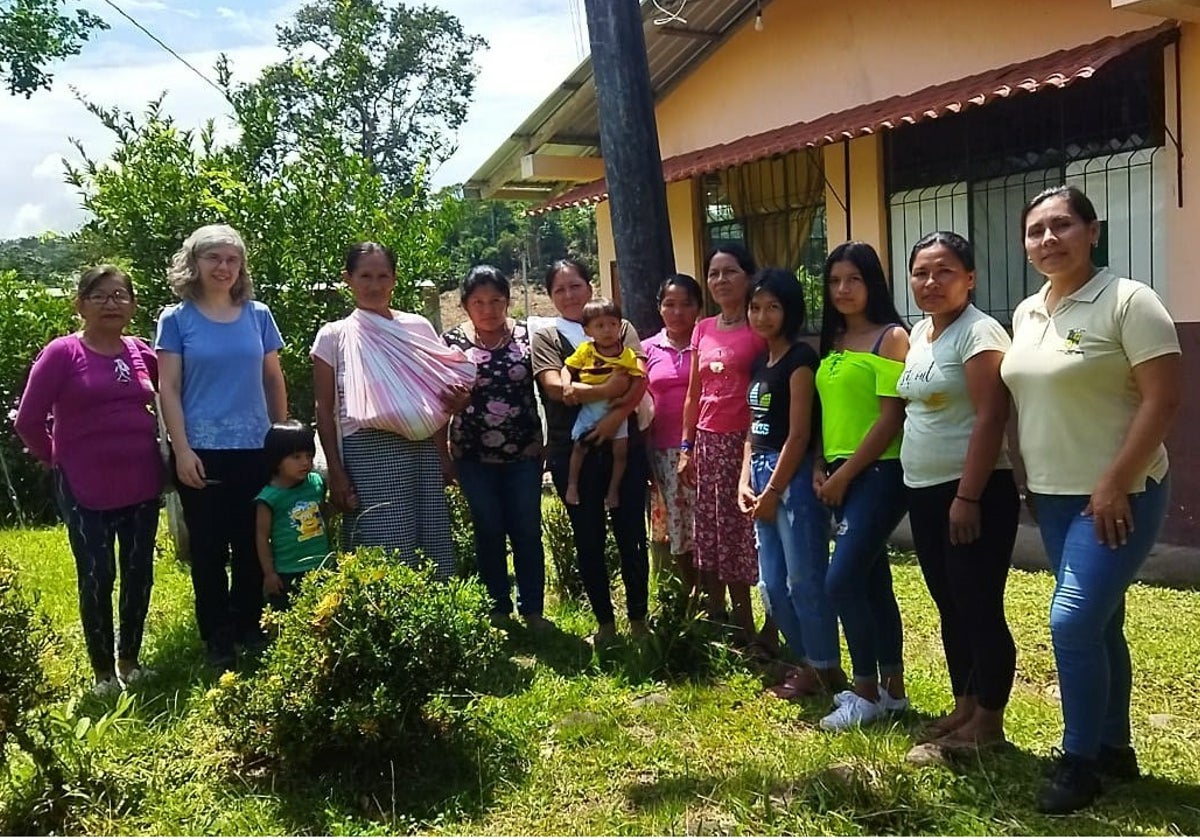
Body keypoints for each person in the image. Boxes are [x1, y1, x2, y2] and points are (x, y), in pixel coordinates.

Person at [1001, 186, 1180, 814]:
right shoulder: (1026, 313)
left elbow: (1162, 400)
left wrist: (1111, 482)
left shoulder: (1130, 302)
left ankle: (1079, 762)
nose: (1048, 240)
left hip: (1120, 492)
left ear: (1092, 232)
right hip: (1050, 495)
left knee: (1072, 620)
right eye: (1035, 231)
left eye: (1062, 226)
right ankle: (1114, 748)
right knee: (1102, 624)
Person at [897, 232, 1019, 758]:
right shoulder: (923, 335)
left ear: (969, 278)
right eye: (921, 272)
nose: (931, 282)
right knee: (950, 604)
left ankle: (989, 722)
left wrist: (967, 497)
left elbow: (992, 415)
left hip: (972, 491)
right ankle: (965, 706)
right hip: (924, 490)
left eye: (944, 271)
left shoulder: (979, 332)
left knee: (978, 603)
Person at [15, 265, 161, 693]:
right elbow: (27, 421)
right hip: (84, 486)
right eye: (99, 296)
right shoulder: (62, 353)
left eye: (120, 296)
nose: (111, 304)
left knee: (139, 572)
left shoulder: (139, 351)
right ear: (79, 304)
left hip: (142, 480)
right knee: (97, 575)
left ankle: (130, 661)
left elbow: (172, 393)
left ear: (133, 305)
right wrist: (56, 460)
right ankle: (101, 673)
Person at [156, 224, 287, 670]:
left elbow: (273, 377)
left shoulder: (258, 315)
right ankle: (217, 638)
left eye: (232, 259)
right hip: (202, 452)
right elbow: (168, 389)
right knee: (209, 550)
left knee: (252, 543)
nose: (224, 267)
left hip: (255, 447)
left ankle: (249, 626)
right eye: (214, 258)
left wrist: (280, 438)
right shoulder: (175, 320)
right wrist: (183, 447)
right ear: (193, 264)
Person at [312, 242, 472, 581]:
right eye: (365, 276)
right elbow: (324, 409)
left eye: (383, 276)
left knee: (431, 538)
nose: (374, 285)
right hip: (367, 451)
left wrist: (443, 449)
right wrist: (337, 473)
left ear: (394, 280)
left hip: (422, 450)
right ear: (348, 279)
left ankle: (435, 623)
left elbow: (436, 396)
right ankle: (384, 626)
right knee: (383, 542)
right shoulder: (334, 336)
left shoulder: (417, 328)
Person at [813, 240, 910, 731]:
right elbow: (827, 415)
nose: (843, 289)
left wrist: (845, 475)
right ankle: (893, 689)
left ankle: (865, 689)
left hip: (878, 473)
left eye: (854, 279)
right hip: (838, 472)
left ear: (873, 282)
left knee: (841, 580)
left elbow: (891, 418)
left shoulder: (891, 338)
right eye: (834, 281)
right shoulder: (832, 343)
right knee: (873, 581)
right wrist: (819, 466)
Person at [738, 268, 846, 699]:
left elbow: (799, 435)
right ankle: (806, 659)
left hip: (792, 479)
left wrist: (773, 492)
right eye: (755, 307)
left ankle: (823, 667)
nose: (762, 316)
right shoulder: (758, 363)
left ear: (791, 311)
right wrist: (744, 480)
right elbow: (752, 429)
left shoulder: (801, 360)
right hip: (761, 474)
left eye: (773, 307)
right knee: (771, 584)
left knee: (804, 579)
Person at [531, 258, 649, 643]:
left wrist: (616, 416)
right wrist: (604, 392)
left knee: (631, 532)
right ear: (549, 295)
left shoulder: (620, 326)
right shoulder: (547, 337)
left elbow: (639, 379)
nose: (569, 295)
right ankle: (605, 625)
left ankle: (638, 621)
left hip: (622, 443)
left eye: (576, 285)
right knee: (588, 538)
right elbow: (553, 387)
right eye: (559, 289)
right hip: (574, 447)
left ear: (589, 286)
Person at [443, 265, 549, 629]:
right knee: (488, 529)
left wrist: (548, 442)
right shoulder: (452, 342)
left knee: (526, 530)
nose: (488, 309)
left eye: (496, 300)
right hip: (472, 454)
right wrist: (444, 455)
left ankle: (533, 609)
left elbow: (547, 388)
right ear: (465, 305)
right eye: (479, 302)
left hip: (524, 452)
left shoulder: (527, 336)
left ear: (507, 300)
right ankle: (498, 608)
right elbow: (439, 399)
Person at [678, 244, 769, 647]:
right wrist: (687, 445)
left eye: (729, 272)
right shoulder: (703, 328)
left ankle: (752, 627)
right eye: (713, 274)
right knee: (710, 532)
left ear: (748, 276)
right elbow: (693, 395)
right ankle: (719, 619)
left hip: (745, 443)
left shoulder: (761, 327)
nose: (720, 281)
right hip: (707, 443)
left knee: (741, 535)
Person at [644, 274, 702, 596]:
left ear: (698, 307)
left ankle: (714, 598)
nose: (677, 312)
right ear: (659, 308)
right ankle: (691, 597)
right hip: (663, 453)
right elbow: (640, 403)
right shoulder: (646, 349)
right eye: (670, 304)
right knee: (676, 528)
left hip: (703, 449)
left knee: (705, 527)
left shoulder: (707, 344)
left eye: (686, 304)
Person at [561, 297, 645, 510]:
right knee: (580, 446)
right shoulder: (585, 351)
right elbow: (566, 369)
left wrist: (626, 400)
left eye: (613, 324)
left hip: (616, 408)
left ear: (620, 325)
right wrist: (567, 386)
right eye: (600, 326)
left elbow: (639, 378)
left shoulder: (625, 354)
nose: (607, 330)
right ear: (587, 330)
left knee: (620, 452)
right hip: (591, 408)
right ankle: (572, 485)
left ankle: (613, 491)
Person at [254, 421, 332, 612]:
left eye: (309, 456)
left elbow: (322, 513)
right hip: (288, 571)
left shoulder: (316, 483)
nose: (305, 462)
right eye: (296, 457)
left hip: (321, 565)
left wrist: (341, 506)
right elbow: (262, 538)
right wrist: (269, 573)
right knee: (289, 617)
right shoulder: (269, 498)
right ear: (276, 460)